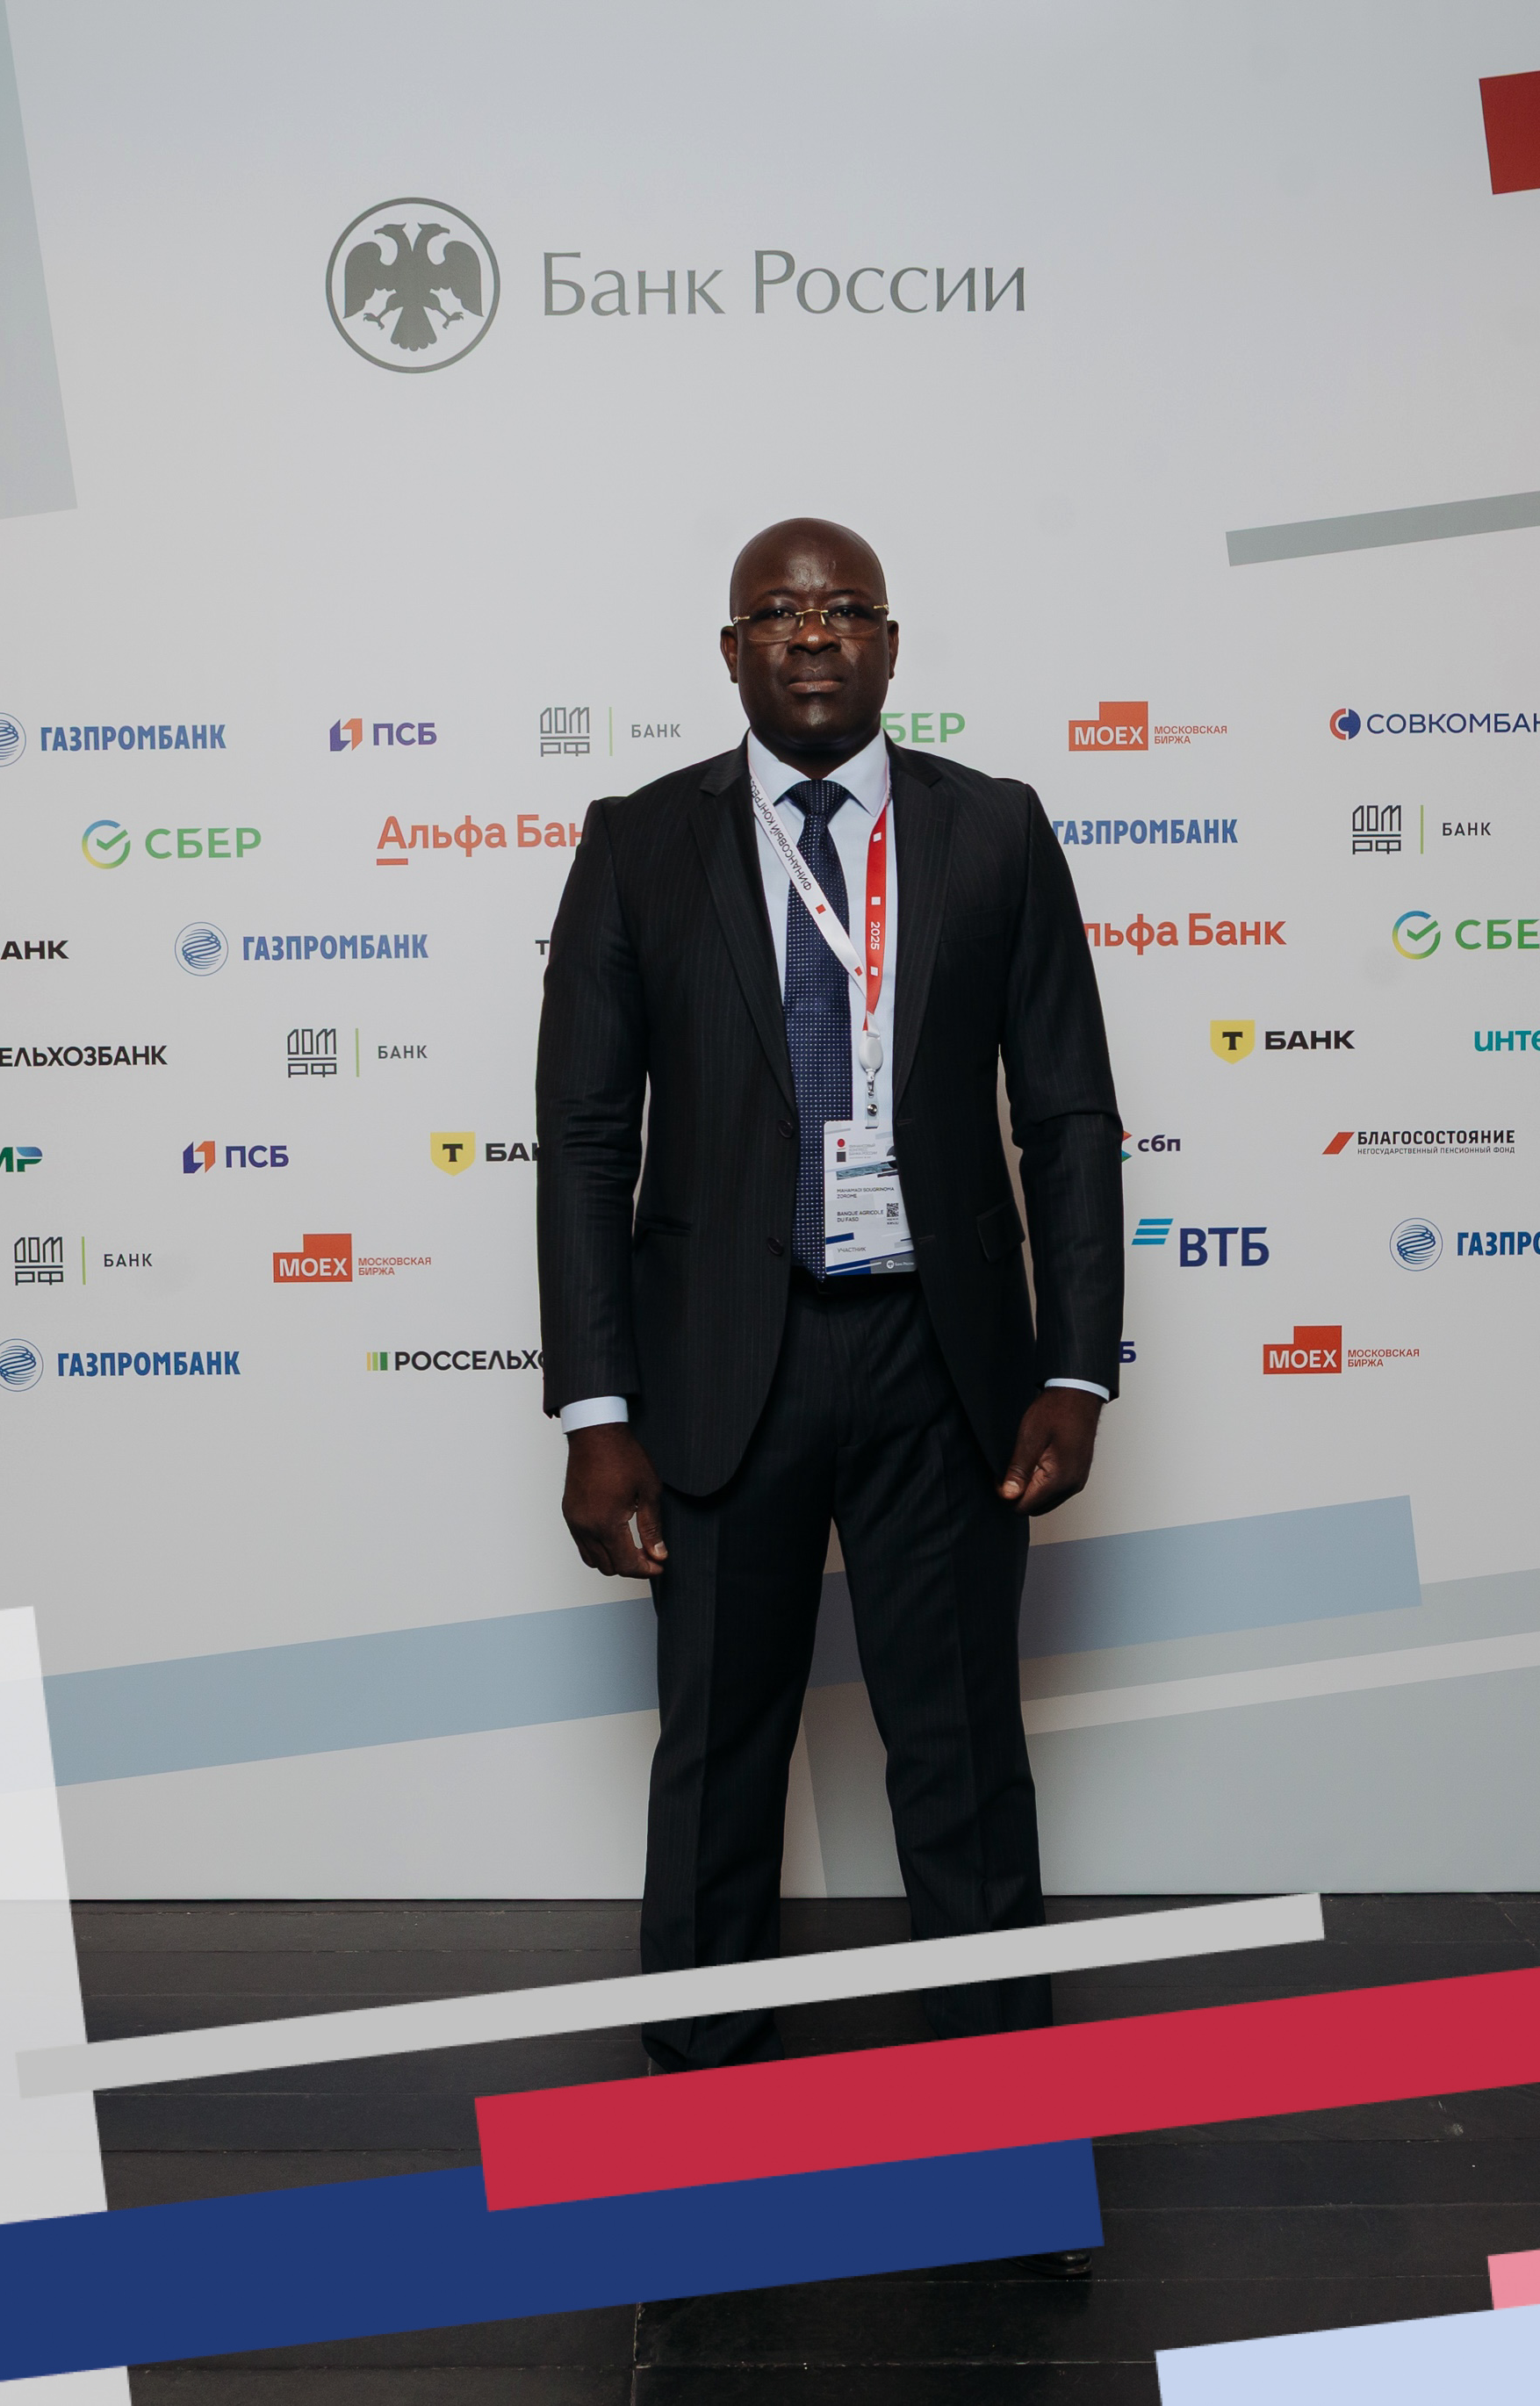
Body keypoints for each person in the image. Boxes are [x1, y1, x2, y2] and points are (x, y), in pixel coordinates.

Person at [536, 515, 1125, 2078]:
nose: (813, 633)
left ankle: (1000, 2104)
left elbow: (1066, 1115)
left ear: (890, 645)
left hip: (946, 1367)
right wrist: (596, 1412)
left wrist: (1075, 1369)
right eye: (778, 612)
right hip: (720, 1366)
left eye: (846, 608)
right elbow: (586, 1139)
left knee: (962, 1747)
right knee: (718, 1754)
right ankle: (704, 2095)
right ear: (731, 650)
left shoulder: (993, 829)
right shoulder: (636, 842)